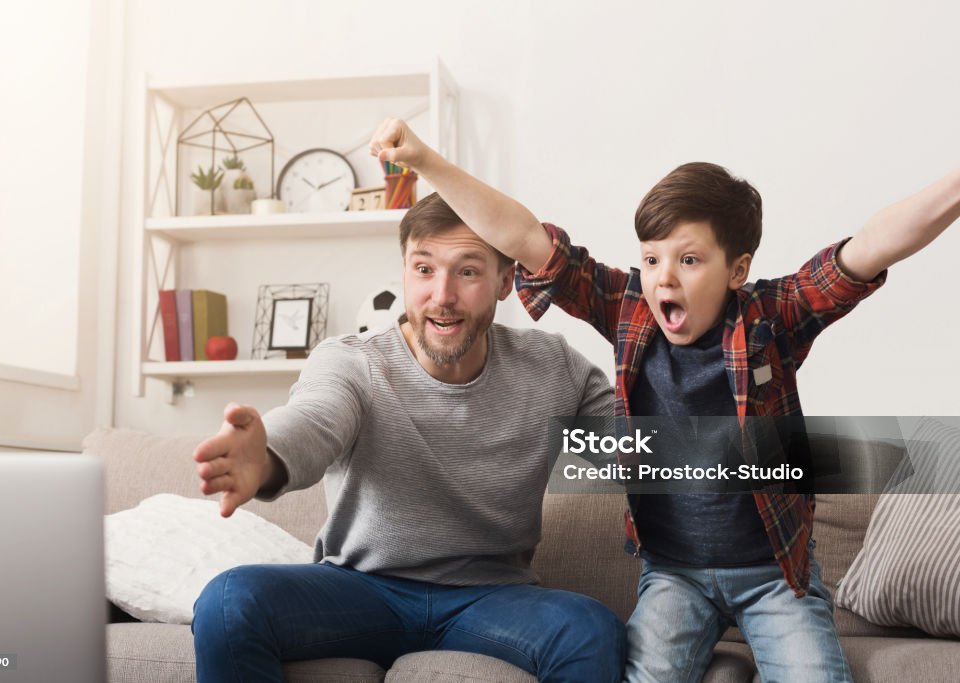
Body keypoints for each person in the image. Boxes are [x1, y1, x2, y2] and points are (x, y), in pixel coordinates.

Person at [370, 117, 960, 682]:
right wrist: (423, 160)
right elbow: (524, 236)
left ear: (738, 270)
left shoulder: (770, 317)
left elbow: (870, 249)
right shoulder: (627, 309)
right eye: (652, 259)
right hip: (674, 574)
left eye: (689, 260)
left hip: (776, 576)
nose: (663, 279)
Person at [191, 193, 626, 682]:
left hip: (492, 596)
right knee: (230, 601)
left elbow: (639, 452)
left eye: (467, 271)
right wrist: (268, 455)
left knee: (590, 627)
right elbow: (315, 419)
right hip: (360, 591)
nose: (441, 295)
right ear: (404, 272)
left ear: (505, 282)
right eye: (424, 269)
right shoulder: (354, 361)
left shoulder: (551, 367)